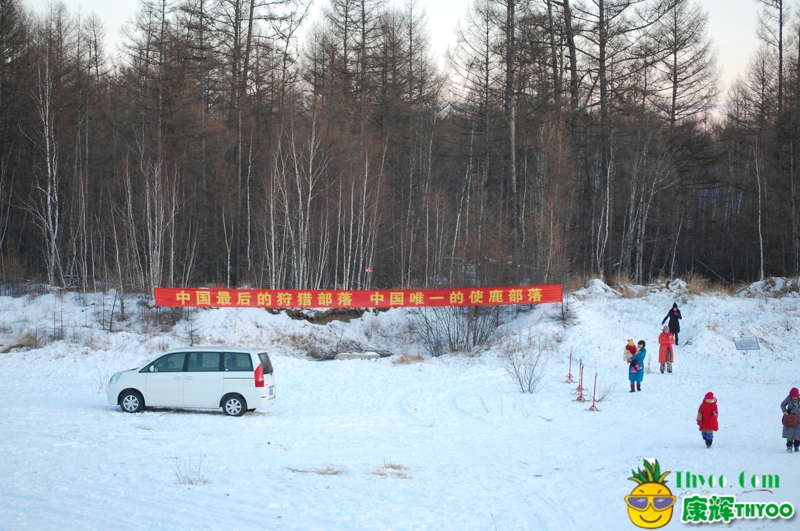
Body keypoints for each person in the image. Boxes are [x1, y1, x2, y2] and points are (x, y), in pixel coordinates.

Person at [780, 387, 800, 453]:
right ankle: (789, 446)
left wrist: (794, 410)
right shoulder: (789, 398)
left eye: (795, 397)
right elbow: (782, 404)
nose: (793, 398)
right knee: (789, 433)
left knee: (798, 433)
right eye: (792, 396)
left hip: (799, 418)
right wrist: (784, 411)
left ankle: (796, 446)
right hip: (790, 418)